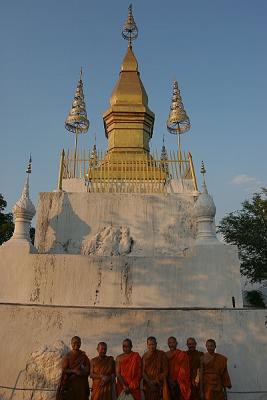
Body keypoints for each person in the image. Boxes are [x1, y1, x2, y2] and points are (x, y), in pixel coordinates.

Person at [56, 336, 90, 400]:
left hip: (81, 385)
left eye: (78, 342)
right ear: (71, 344)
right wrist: (74, 371)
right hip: (70, 384)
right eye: (74, 342)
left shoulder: (84, 357)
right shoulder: (68, 356)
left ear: (80, 344)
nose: (76, 344)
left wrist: (82, 372)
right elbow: (64, 370)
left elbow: (88, 370)